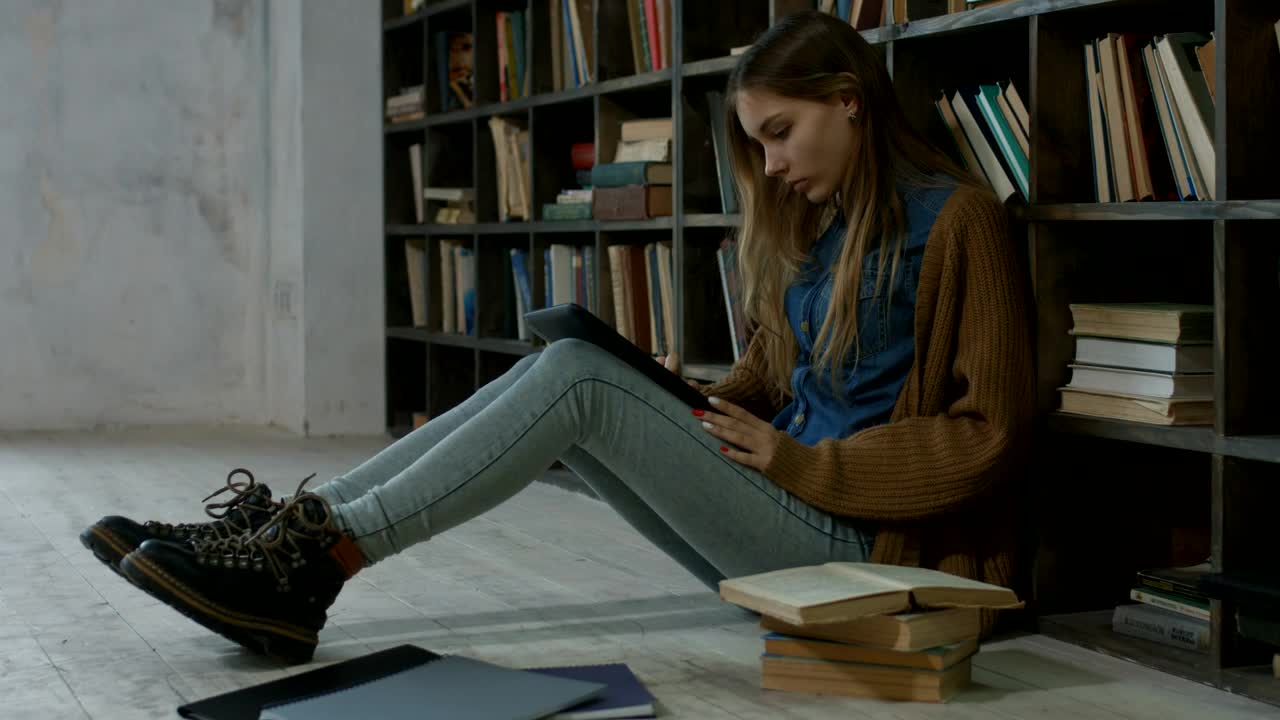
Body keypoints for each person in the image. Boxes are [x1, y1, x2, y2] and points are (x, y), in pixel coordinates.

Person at [80, 10, 1034, 665]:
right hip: (789, 505)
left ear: (851, 98)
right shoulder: (820, 232)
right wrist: (682, 406)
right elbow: (773, 372)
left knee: (575, 377)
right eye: (760, 145)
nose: (774, 165)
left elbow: (990, 433)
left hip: (862, 542)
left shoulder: (957, 223)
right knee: (573, 367)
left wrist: (802, 466)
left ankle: (315, 564)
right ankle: (295, 530)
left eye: (781, 133)